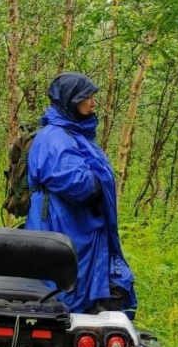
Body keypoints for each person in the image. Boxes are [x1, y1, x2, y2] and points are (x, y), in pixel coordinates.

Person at [25, 72, 138, 319]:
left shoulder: (73, 134)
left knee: (80, 287)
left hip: (77, 226)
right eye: (87, 97)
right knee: (63, 289)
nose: (93, 102)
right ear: (71, 99)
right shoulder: (54, 137)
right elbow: (76, 183)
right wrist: (98, 180)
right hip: (62, 226)